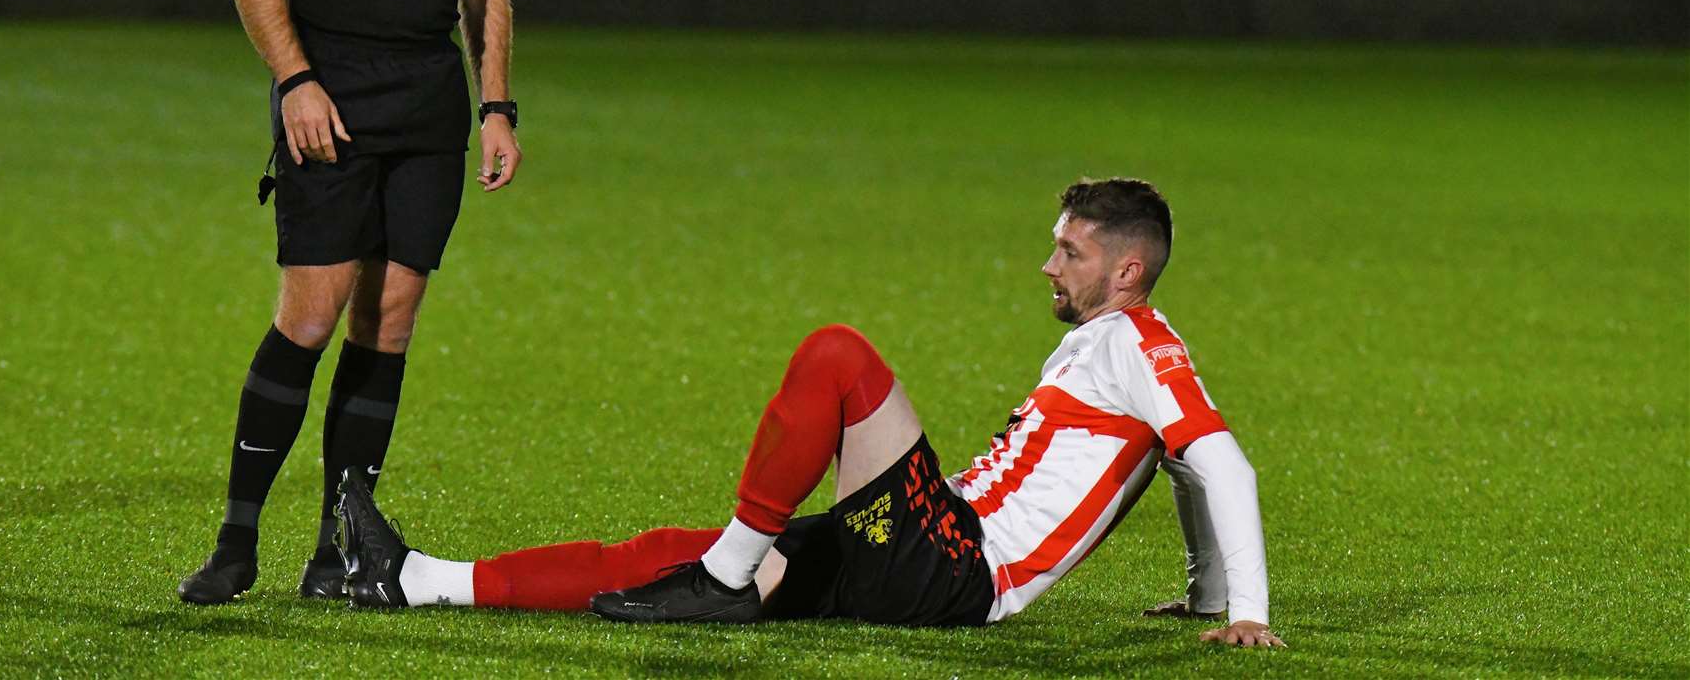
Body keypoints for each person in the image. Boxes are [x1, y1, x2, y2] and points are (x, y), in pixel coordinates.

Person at [335, 179, 1284, 647]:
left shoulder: (1139, 341)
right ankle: (413, 579)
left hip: (958, 571)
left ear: (1126, 270)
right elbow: (1182, 460)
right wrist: (1204, 592)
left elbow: (1222, 462)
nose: (1048, 266)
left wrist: (1245, 613)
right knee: (673, 548)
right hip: (929, 555)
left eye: (1069, 252)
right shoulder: (1115, 350)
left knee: (837, 357)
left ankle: (726, 576)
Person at [178, 0, 521, 606]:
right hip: (329, 94)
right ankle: (237, 540)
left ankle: (342, 548)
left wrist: (496, 103)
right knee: (313, 311)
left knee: (391, 319)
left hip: (428, 104)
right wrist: (295, 81)